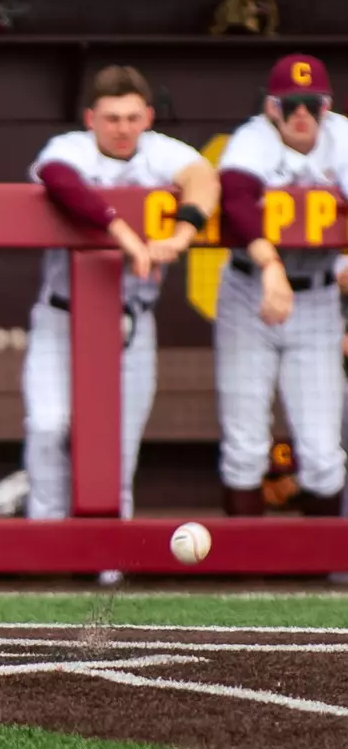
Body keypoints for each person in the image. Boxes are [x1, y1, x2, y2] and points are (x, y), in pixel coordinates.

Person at [20, 66, 217, 525]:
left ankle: (106, 570)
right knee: (47, 428)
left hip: (132, 322)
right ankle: (46, 549)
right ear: (91, 118)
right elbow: (57, 176)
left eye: (132, 117)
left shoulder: (162, 153)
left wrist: (183, 234)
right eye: (112, 118)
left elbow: (204, 179)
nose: (123, 128)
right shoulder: (70, 148)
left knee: (117, 448)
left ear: (148, 116)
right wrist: (121, 231)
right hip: (61, 318)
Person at [214, 54, 348, 516]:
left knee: (323, 454)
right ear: (271, 107)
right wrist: (270, 264)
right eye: (290, 104)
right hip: (250, 292)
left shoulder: (342, 137)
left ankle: (329, 575)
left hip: (316, 295)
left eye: (312, 103)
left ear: (327, 104)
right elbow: (234, 195)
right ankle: (241, 574)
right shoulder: (253, 139)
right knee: (245, 445)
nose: (301, 114)